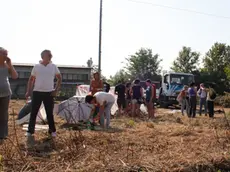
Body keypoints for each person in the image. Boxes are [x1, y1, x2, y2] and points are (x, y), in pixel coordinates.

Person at [25, 50, 62, 137]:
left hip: (49, 93)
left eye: (50, 55)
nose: (50, 56)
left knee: (49, 113)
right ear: (42, 56)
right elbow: (31, 79)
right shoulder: (36, 66)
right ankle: (30, 131)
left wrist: (56, 90)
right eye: (48, 55)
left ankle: (52, 130)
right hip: (37, 92)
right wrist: (28, 91)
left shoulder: (53, 67)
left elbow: (59, 78)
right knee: (34, 112)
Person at [0, 47, 18, 143]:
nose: (6, 56)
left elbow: (15, 76)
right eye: (4, 54)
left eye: (7, 54)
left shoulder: (7, 66)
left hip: (6, 93)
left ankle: (3, 135)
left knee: (4, 114)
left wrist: (10, 64)